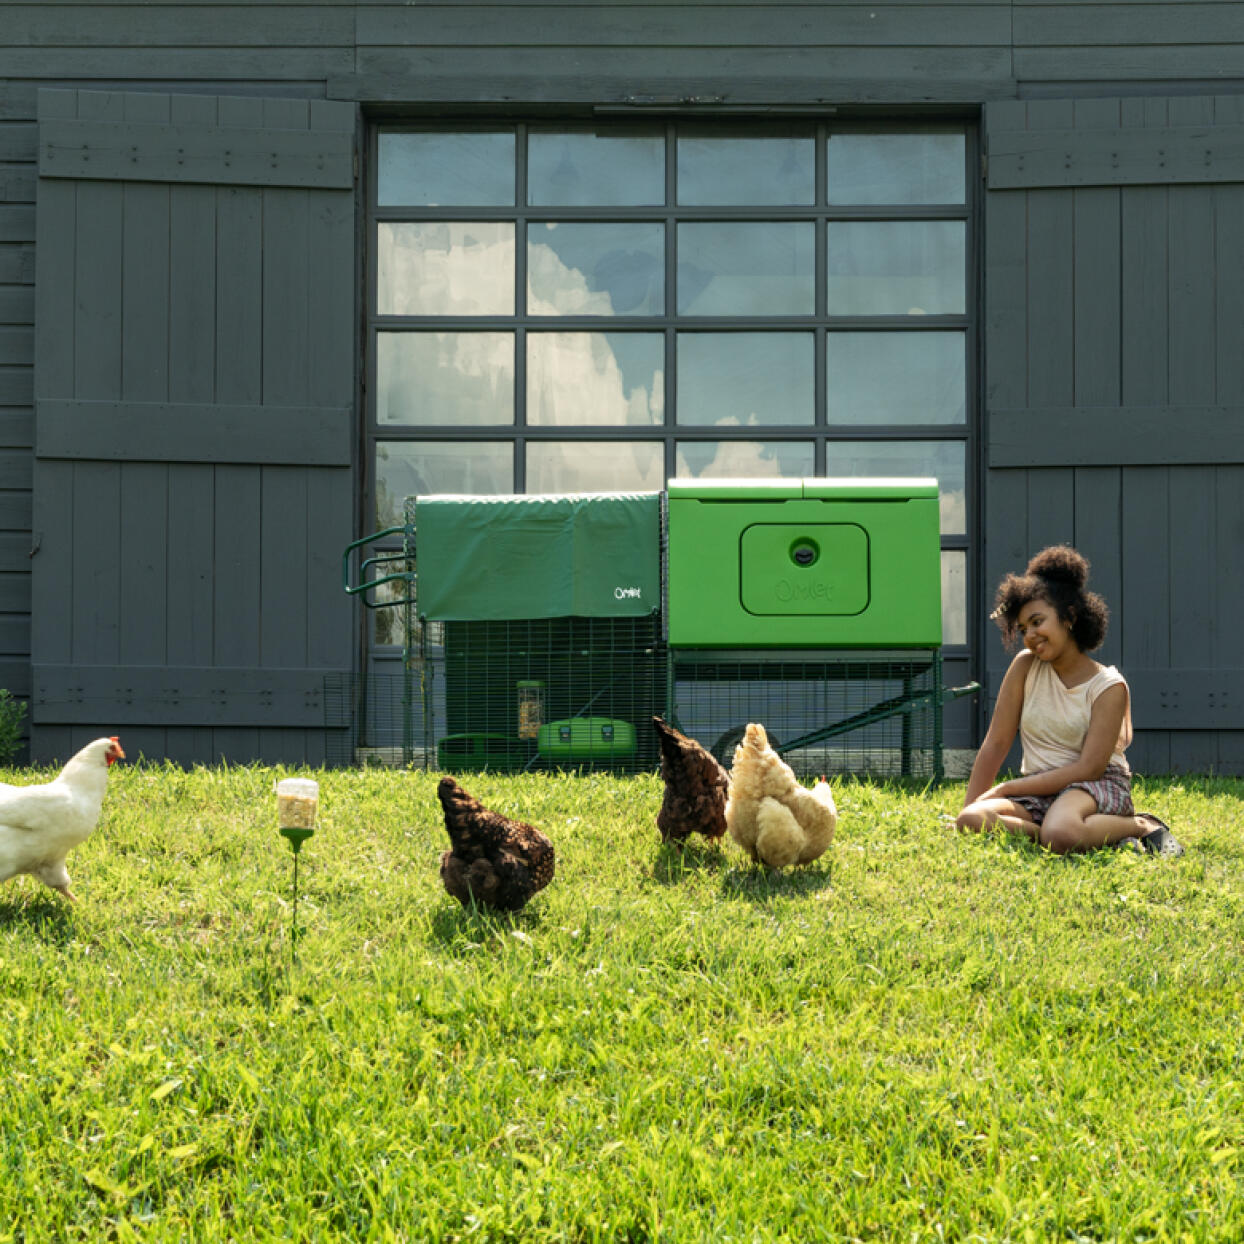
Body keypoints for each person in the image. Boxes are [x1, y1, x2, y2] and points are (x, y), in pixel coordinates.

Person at [957, 545, 1183, 856]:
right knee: (972, 819)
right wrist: (969, 807)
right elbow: (996, 743)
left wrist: (1007, 788)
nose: (1031, 635)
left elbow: (1089, 768)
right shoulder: (1024, 667)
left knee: (1061, 832)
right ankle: (1063, 831)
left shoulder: (1108, 686)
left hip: (1095, 786)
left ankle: (1140, 825)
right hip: (1040, 790)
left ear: (1070, 617)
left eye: (1038, 621)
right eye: (1023, 628)